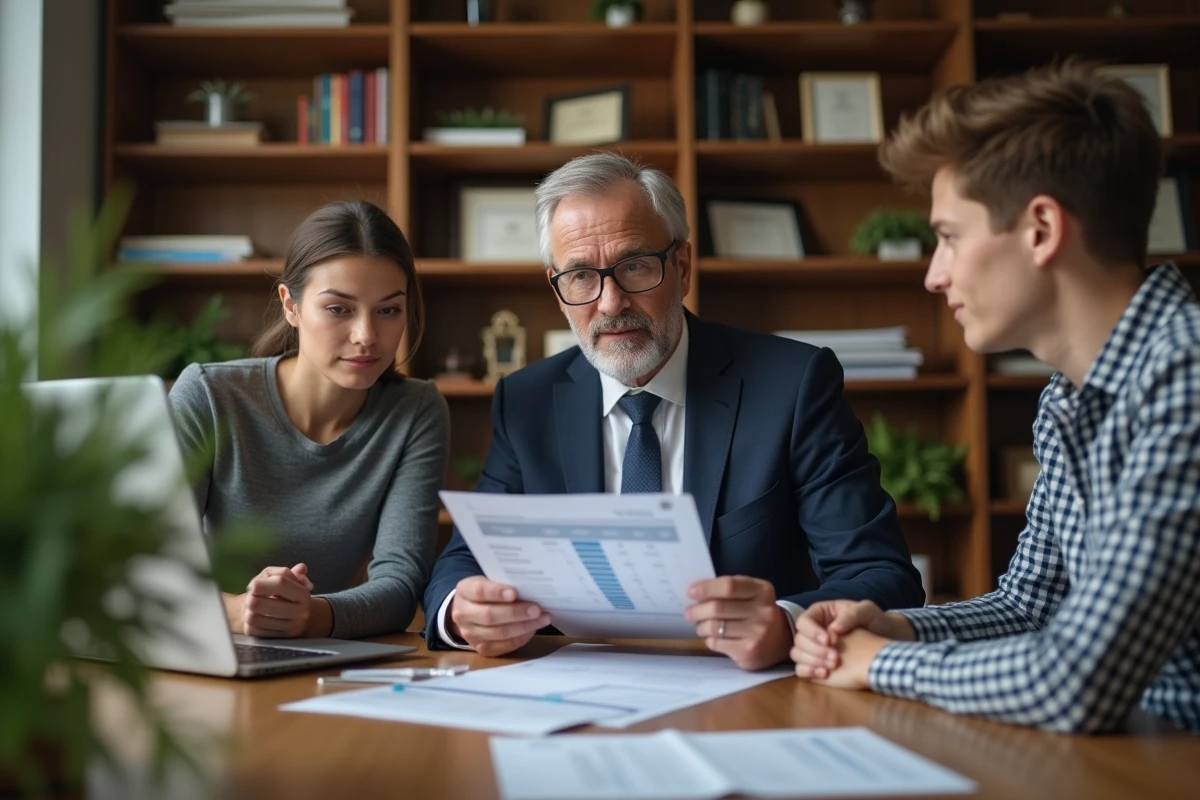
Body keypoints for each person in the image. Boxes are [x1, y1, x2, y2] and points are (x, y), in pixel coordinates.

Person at [790, 60, 1200, 733]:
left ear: (1041, 229)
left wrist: (877, 662)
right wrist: (892, 627)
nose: (933, 275)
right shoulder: (1069, 396)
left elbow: (1077, 681)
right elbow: (1031, 605)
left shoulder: (1185, 374)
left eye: (949, 237)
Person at [423, 152, 924, 668]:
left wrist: (785, 621)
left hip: (749, 696)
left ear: (682, 266)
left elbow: (882, 576)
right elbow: (464, 560)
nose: (610, 302)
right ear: (557, 288)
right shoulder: (526, 399)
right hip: (576, 689)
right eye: (580, 277)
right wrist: (461, 610)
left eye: (635, 266)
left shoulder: (792, 386)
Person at [169, 200, 449, 640]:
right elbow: (149, 564)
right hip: (208, 647)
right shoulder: (209, 395)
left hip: (323, 657)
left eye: (389, 310)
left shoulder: (416, 411)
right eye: (339, 309)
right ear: (291, 305)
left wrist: (311, 615)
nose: (367, 336)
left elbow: (401, 587)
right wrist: (239, 612)